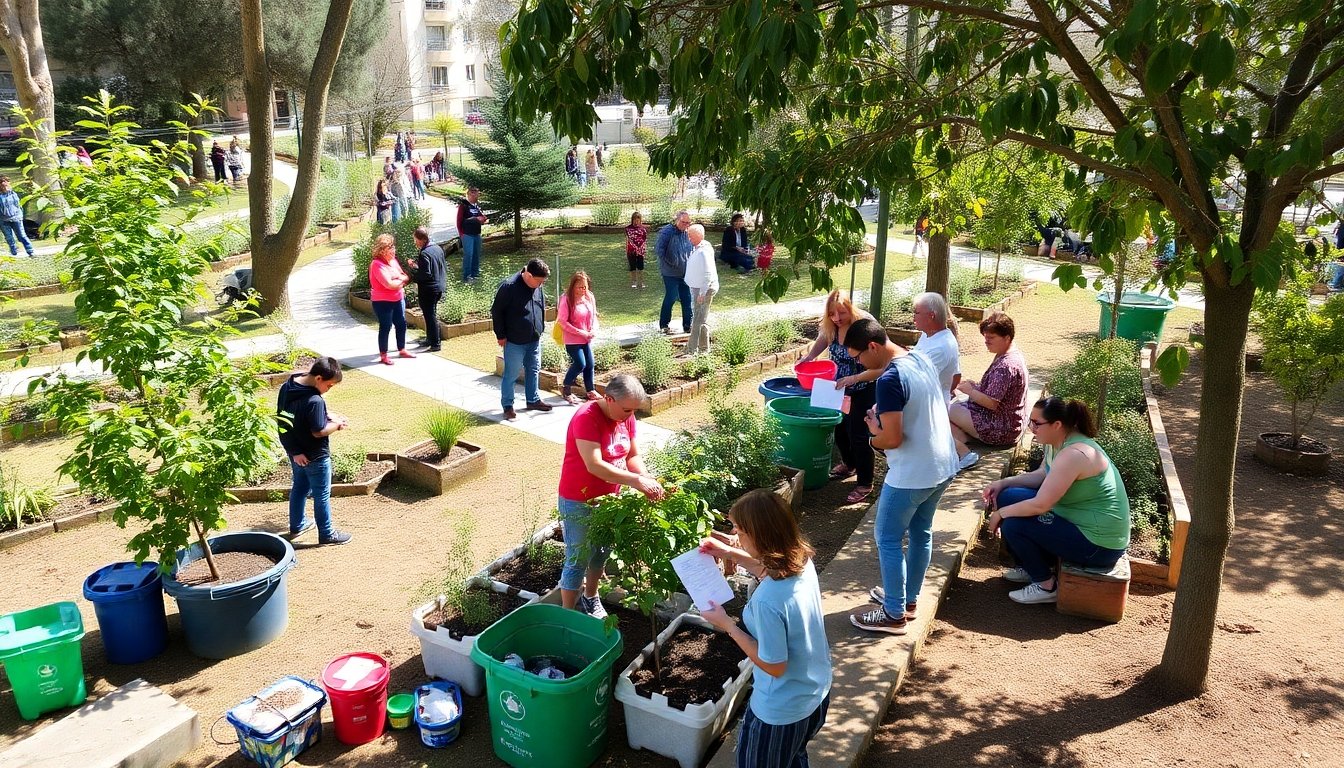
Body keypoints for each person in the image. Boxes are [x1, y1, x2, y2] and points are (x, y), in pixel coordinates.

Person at [697, 489, 832, 768]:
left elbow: (774, 665)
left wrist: (728, 625)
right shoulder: (801, 561)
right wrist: (729, 551)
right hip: (814, 694)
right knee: (794, 758)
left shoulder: (769, 602)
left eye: (739, 531)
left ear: (759, 536)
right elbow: (766, 567)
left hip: (780, 712)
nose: (734, 534)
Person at [845, 319, 959, 634]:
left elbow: (891, 440)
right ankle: (908, 600)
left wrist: (872, 434)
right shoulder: (917, 357)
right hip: (943, 466)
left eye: (858, 357)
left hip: (912, 473)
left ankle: (893, 614)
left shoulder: (889, 380)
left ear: (873, 346)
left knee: (887, 538)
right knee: (921, 532)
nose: (858, 363)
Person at [983, 397, 1131, 605]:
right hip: (1075, 521)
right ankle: (1031, 565)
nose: (1031, 428)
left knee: (1014, 524)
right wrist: (1004, 482)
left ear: (1057, 425)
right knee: (1007, 495)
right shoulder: (1056, 443)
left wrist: (999, 514)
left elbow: (1041, 505)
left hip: (1099, 545)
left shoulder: (1075, 454)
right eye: (1030, 421)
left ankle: (1045, 585)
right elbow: (1044, 473)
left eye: (1036, 423)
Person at [558, 374, 664, 617]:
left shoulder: (627, 416)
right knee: (578, 556)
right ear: (608, 399)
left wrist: (647, 479)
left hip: (610, 499)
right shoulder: (586, 417)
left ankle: (590, 597)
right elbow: (594, 465)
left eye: (634, 410)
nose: (630, 415)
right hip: (578, 499)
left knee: (601, 551)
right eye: (627, 409)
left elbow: (632, 456)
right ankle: (566, 613)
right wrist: (636, 481)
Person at [797, 291, 879, 504]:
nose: (837, 318)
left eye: (841, 313)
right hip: (839, 387)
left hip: (864, 385)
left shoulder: (865, 325)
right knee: (839, 428)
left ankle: (865, 482)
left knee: (859, 434)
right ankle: (849, 464)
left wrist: (854, 378)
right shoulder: (831, 325)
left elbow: (880, 364)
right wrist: (809, 357)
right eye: (832, 314)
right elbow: (823, 339)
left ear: (851, 308)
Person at [277, 356, 354, 545]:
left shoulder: (288, 386)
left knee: (299, 488)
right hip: (316, 456)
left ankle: (298, 524)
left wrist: (294, 452)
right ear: (319, 378)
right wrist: (336, 425)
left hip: (297, 454)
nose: (328, 390)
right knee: (322, 495)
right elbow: (318, 431)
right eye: (329, 385)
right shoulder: (314, 400)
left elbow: (284, 421)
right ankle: (327, 534)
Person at [948, 312, 1030, 465]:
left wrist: (970, 391)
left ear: (1007, 337)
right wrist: (977, 386)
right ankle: (962, 442)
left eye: (991, 338)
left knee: (946, 409)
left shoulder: (1005, 366)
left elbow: (992, 403)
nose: (986, 341)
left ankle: (963, 453)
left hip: (1002, 428)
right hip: (1011, 425)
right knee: (950, 422)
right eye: (985, 337)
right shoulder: (1010, 355)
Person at [492, 258, 553, 420]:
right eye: (539, 281)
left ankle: (533, 400)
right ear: (529, 275)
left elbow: (540, 305)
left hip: (534, 338)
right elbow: (497, 311)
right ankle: (508, 405)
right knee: (511, 374)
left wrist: (541, 327)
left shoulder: (537, 285)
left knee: (533, 369)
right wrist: (501, 335)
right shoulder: (509, 287)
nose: (541, 285)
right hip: (514, 340)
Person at [368, 233, 416, 365]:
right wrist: (399, 282)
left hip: (398, 299)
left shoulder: (393, 262)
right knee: (386, 326)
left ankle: (402, 349)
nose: (394, 251)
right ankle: (383, 355)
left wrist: (398, 281)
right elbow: (389, 284)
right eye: (391, 248)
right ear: (382, 250)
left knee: (401, 323)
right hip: (382, 302)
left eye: (393, 248)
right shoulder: (377, 264)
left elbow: (405, 276)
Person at [912, 291, 961, 404]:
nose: (913, 317)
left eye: (916, 312)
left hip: (928, 406)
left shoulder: (941, 347)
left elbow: (914, 381)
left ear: (931, 316)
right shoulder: (928, 334)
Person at [558, 270, 599, 404]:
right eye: (580, 287)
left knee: (590, 364)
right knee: (580, 363)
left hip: (586, 339)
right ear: (573, 286)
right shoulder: (566, 299)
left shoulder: (589, 297)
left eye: (585, 287)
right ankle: (566, 389)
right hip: (572, 340)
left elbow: (593, 316)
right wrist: (581, 332)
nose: (583, 290)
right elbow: (562, 322)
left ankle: (590, 391)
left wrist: (593, 329)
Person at [408, 227, 448, 352]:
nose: (415, 243)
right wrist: (417, 265)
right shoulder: (437, 248)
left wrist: (413, 273)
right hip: (439, 285)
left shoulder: (424, 253)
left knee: (430, 316)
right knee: (430, 314)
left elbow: (425, 274)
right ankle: (429, 339)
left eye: (416, 240)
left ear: (422, 239)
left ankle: (435, 343)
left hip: (429, 289)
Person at [654, 210, 693, 334]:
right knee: (671, 296)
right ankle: (664, 325)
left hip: (685, 272)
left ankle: (688, 325)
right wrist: (671, 261)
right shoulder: (667, 231)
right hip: (670, 273)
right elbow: (659, 249)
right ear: (676, 220)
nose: (686, 225)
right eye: (683, 222)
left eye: (688, 223)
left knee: (687, 298)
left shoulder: (687, 232)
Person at [684, 224, 719, 356]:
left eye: (690, 236)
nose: (689, 238)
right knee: (700, 318)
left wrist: (703, 292)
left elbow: (708, 274)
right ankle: (702, 348)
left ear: (698, 236)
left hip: (704, 290)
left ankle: (693, 349)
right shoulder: (700, 247)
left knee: (699, 319)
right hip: (698, 289)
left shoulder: (704, 251)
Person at [457, 186, 487, 282]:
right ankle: (467, 276)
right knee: (468, 255)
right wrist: (461, 234)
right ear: (471, 194)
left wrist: (482, 218)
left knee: (476, 254)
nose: (478, 196)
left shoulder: (476, 206)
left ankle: (475, 273)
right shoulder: (464, 205)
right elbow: (459, 220)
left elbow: (481, 216)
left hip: (476, 234)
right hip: (467, 234)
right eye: (476, 194)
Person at [0, 176, 34, 258]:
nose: (4, 184)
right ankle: (13, 251)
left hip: (16, 218)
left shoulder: (13, 194)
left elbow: (19, 206)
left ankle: (30, 251)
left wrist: (20, 215)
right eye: (2, 183)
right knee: (9, 237)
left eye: (6, 182)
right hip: (3, 220)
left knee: (22, 236)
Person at [625, 211, 648, 289]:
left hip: (641, 252)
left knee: (641, 267)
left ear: (640, 220)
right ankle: (634, 282)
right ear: (632, 220)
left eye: (638, 220)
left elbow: (645, 239)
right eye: (634, 219)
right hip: (631, 251)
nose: (636, 221)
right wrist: (635, 248)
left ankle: (641, 282)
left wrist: (642, 249)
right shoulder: (628, 229)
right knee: (633, 267)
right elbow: (629, 240)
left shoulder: (643, 229)